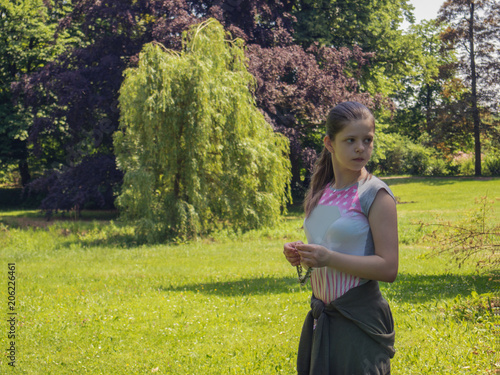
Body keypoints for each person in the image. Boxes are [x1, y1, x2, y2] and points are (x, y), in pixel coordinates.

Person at [283, 101, 398, 375]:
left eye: (367, 140)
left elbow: (389, 268)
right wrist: (299, 253)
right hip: (323, 317)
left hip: (358, 318)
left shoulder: (376, 195)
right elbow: (325, 244)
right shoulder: (324, 192)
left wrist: (329, 258)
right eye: (350, 140)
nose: (361, 147)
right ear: (330, 143)